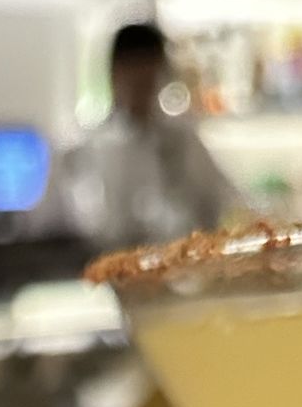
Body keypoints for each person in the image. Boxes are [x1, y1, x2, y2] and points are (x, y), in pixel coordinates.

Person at [62, 21, 240, 260]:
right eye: (133, 73)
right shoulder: (90, 147)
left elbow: (226, 203)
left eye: (149, 76)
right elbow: (83, 227)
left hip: (182, 268)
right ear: (114, 73)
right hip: (112, 269)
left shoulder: (183, 140)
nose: (141, 87)